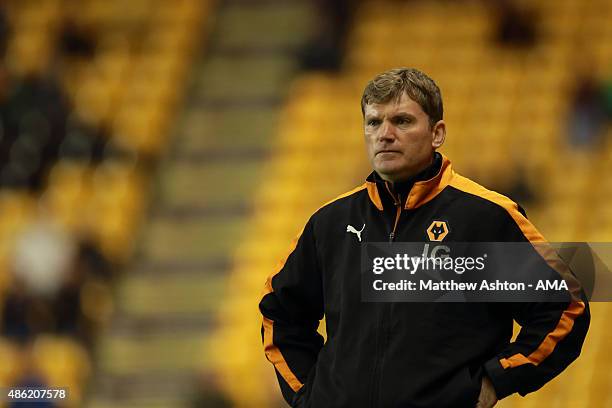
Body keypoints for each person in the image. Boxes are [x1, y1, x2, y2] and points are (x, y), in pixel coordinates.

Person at [259, 68, 590, 407]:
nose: (385, 134)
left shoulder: (485, 217)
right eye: (373, 122)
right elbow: (281, 312)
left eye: (402, 121)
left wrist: (496, 380)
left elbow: (565, 308)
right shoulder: (329, 222)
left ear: (437, 133)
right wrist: (308, 396)